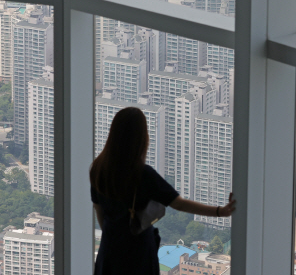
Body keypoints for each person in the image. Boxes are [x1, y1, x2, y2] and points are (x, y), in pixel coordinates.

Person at [90, 107, 236, 275]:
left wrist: (114, 232)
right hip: (137, 253)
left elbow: (99, 210)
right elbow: (179, 204)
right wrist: (220, 211)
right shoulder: (142, 174)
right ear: (141, 138)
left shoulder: (99, 168)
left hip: (110, 251)